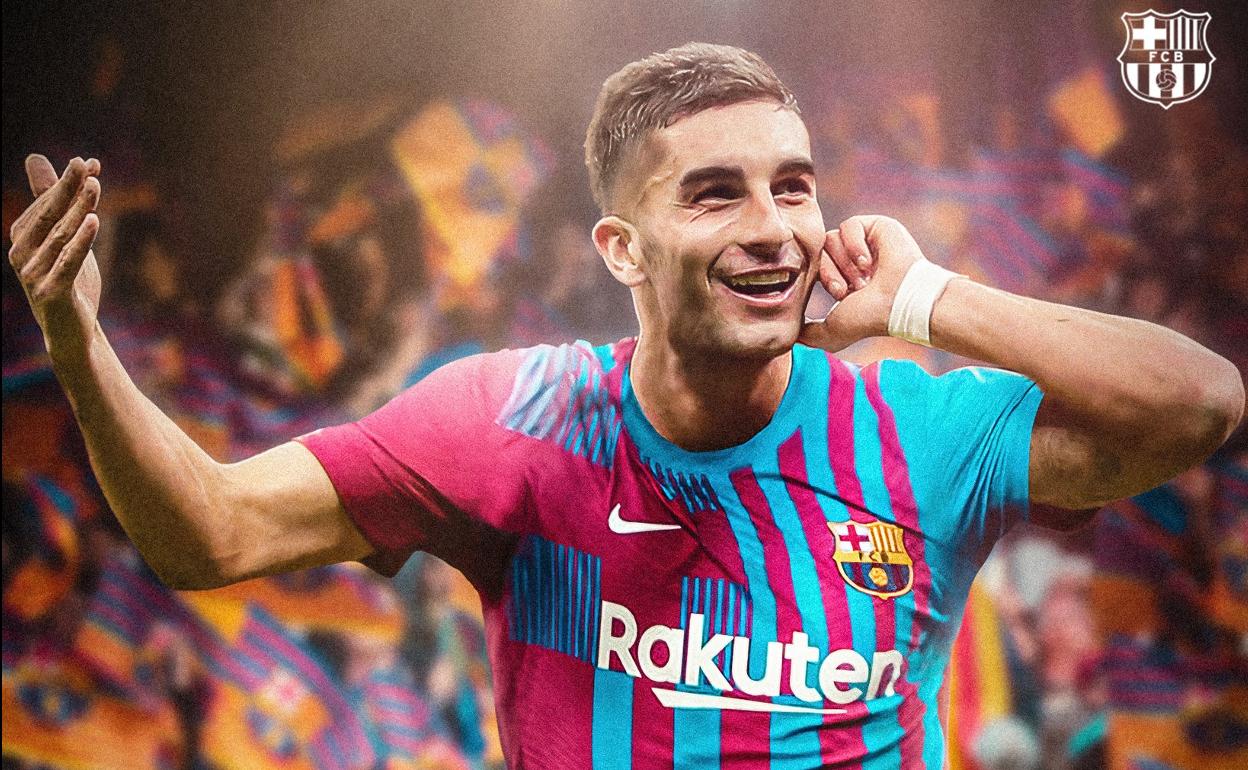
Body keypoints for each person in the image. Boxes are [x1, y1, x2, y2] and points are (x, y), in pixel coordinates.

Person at [7, 42, 1243, 768]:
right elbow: (211, 532)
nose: (774, 227)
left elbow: (1198, 404)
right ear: (621, 247)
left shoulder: (918, 432)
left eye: (794, 186)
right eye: (715, 193)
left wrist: (927, 297)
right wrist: (77, 341)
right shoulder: (507, 421)